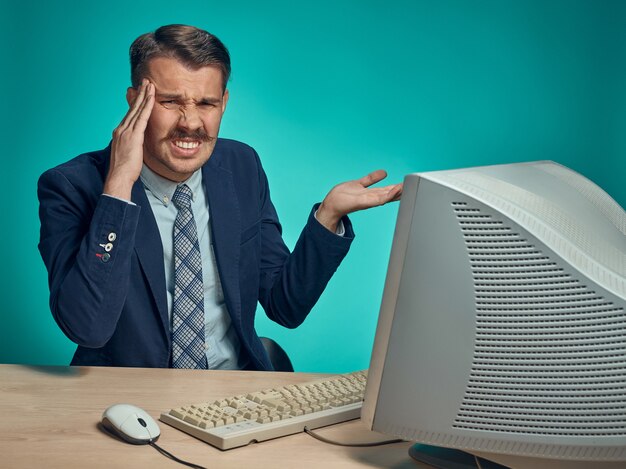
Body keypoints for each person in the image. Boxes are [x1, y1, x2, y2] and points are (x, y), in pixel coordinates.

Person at [37, 24, 402, 370]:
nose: (191, 122)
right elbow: (87, 327)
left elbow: (284, 305)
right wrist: (117, 188)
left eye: (206, 104)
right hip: (129, 400)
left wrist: (328, 216)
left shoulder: (241, 166)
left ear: (224, 103)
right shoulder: (70, 186)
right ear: (135, 102)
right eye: (170, 101)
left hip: (232, 390)